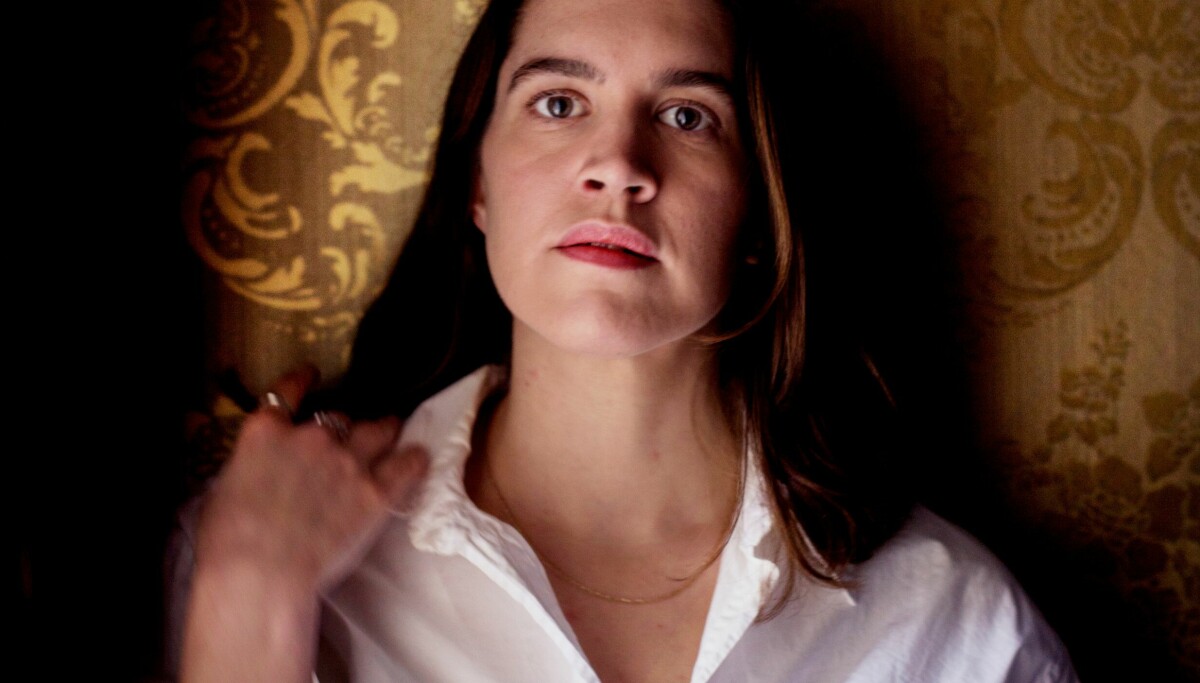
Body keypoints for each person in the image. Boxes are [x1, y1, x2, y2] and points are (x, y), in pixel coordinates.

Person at [178, 0, 1079, 681]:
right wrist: (245, 611)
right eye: (559, 102)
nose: (619, 165)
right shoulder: (256, 556)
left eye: (687, 116)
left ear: (760, 209)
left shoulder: (955, 622)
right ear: (478, 185)